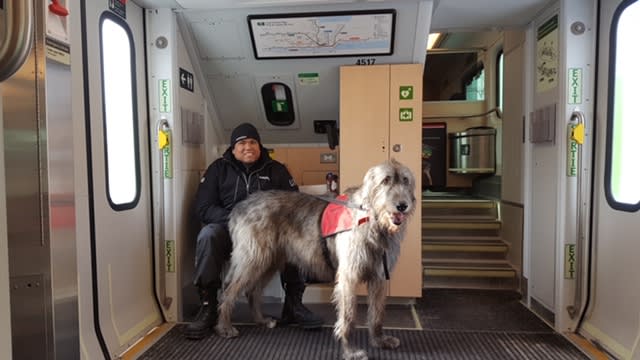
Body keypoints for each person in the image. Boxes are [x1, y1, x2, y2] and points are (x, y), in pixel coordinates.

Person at [184, 122, 323, 340]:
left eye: (252, 142)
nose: (248, 147)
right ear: (232, 148)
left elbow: (295, 205)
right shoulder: (217, 169)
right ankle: (209, 306)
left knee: (296, 240)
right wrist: (241, 219)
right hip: (228, 229)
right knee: (207, 236)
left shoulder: (276, 170)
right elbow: (203, 208)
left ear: (259, 146)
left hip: (269, 231)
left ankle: (293, 305)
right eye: (242, 143)